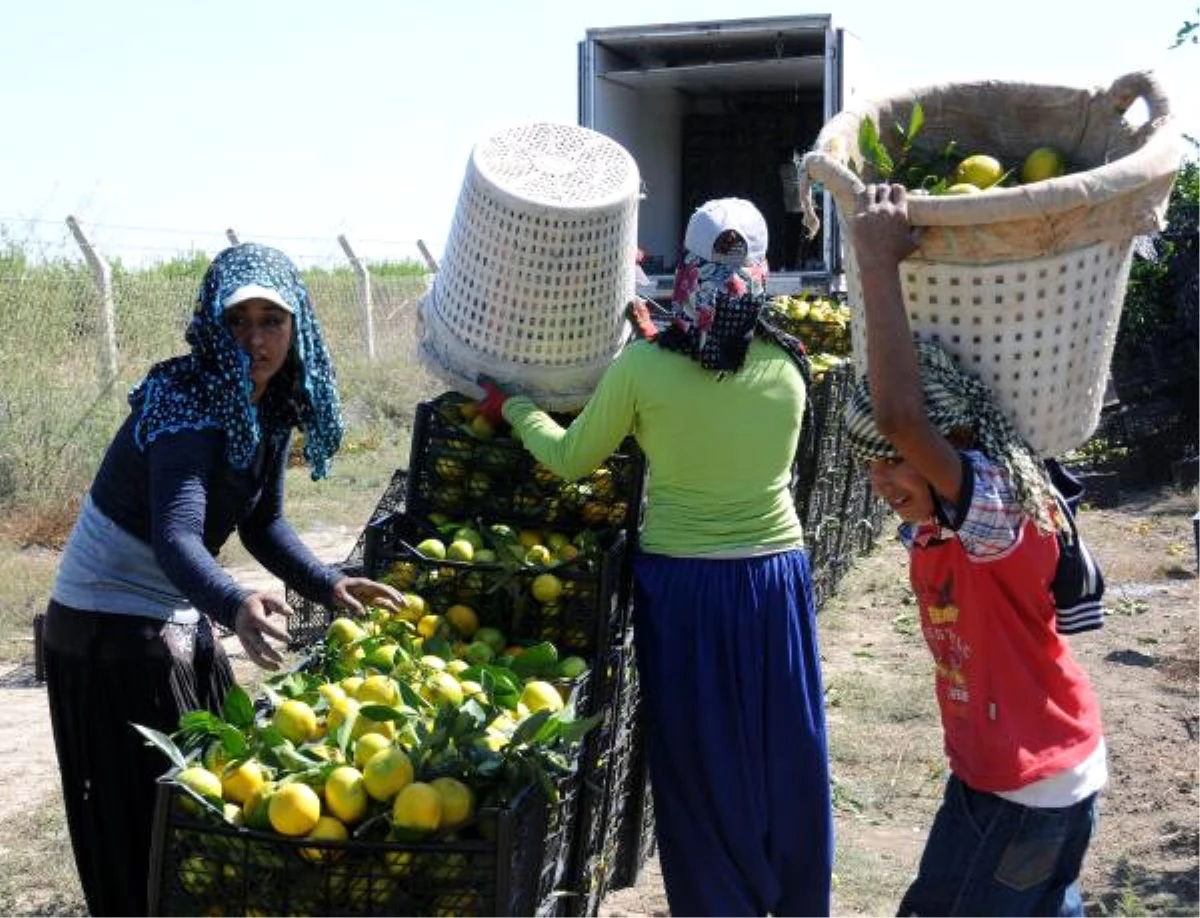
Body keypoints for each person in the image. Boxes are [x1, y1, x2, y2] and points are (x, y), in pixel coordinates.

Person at [477, 198, 833, 917]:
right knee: (785, 753)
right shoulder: (791, 367)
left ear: (688, 269)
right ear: (761, 272)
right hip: (776, 579)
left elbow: (573, 456)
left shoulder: (643, 369)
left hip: (685, 586)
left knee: (701, 763)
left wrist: (512, 407)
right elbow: (718, 381)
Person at [41, 242, 404, 918]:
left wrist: (329, 586)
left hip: (168, 614)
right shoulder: (186, 403)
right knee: (157, 824)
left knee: (213, 800)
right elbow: (177, 536)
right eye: (238, 321)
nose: (255, 339)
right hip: (107, 631)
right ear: (213, 325)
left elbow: (263, 525)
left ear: (298, 330)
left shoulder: (268, 407)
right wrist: (236, 604)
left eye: (272, 320)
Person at [843, 183, 1107, 917]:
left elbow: (901, 415)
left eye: (892, 460)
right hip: (1008, 774)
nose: (880, 476)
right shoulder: (940, 522)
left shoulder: (995, 515)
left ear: (952, 445)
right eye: (869, 460)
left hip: (1029, 787)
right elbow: (895, 423)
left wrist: (876, 260)